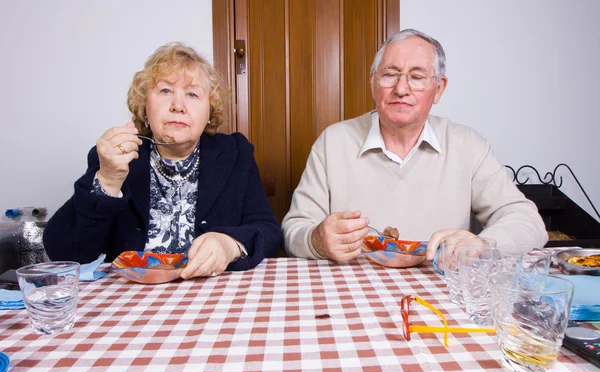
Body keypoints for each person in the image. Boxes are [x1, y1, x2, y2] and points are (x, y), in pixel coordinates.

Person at [282, 29, 547, 262]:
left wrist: (482, 245)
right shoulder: (333, 142)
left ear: (439, 89)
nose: (401, 89)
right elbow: (294, 229)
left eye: (417, 77)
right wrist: (317, 240)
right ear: (373, 82)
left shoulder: (468, 145)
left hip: (442, 296)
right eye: (390, 74)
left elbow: (528, 222)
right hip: (351, 292)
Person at [44, 42, 281, 278]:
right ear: (145, 106)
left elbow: (267, 230)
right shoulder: (116, 157)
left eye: (192, 94)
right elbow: (66, 254)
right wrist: (107, 180)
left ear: (209, 110)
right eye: (165, 91)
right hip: (133, 300)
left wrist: (230, 244)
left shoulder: (235, 153)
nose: (178, 106)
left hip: (212, 293)